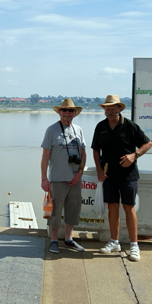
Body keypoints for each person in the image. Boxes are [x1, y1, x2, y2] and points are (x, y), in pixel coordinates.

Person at [92, 95, 152, 262]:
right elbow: (96, 150)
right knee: (112, 207)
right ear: (104, 110)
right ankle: (114, 242)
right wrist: (98, 169)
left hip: (128, 175)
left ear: (120, 109)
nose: (110, 110)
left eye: (113, 107)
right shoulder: (101, 127)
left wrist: (135, 155)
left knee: (129, 208)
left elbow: (147, 143)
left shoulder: (130, 125)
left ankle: (134, 245)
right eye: (107, 108)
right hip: (109, 174)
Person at [41, 98, 87, 254]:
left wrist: (80, 173)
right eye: (64, 110)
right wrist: (43, 178)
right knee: (55, 211)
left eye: (70, 111)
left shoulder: (78, 130)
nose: (67, 113)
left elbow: (83, 153)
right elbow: (45, 156)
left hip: (75, 179)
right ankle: (54, 240)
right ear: (59, 112)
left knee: (73, 209)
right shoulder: (51, 130)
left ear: (75, 113)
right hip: (57, 178)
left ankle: (68, 239)